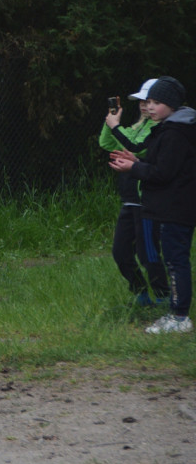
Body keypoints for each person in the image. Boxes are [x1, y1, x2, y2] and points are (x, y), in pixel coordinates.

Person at [110, 76, 196, 334]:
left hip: (177, 207)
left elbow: (163, 174)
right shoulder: (171, 128)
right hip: (173, 205)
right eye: (148, 102)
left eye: (157, 102)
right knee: (173, 258)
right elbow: (163, 166)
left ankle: (179, 317)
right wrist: (136, 160)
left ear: (171, 104)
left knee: (175, 260)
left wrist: (134, 168)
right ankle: (176, 313)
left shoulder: (176, 133)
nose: (150, 107)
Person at [99, 78, 169, 305]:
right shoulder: (135, 129)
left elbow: (134, 147)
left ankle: (162, 296)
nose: (143, 105)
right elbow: (107, 144)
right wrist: (110, 122)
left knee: (147, 253)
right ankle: (140, 292)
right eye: (140, 101)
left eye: (148, 101)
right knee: (120, 252)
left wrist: (116, 128)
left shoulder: (158, 130)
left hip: (146, 202)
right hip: (129, 200)